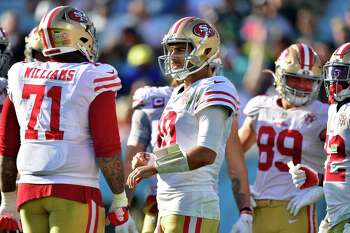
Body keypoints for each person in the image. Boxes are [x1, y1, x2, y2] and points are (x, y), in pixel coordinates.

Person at [0, 6, 135, 233]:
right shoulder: (93, 75)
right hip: (75, 190)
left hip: (29, 192)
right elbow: (107, 147)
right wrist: (120, 197)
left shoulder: (19, 73)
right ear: (77, 35)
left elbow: (7, 145)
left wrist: (7, 199)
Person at [126, 17, 240, 233]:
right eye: (171, 49)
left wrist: (155, 165)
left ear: (204, 51)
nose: (172, 56)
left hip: (192, 204)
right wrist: (152, 158)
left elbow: (206, 153)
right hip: (168, 203)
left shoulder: (215, 86)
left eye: (180, 49)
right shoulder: (179, 92)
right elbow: (184, 146)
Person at [238, 43, 328, 233]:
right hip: (258, 206)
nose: (303, 86)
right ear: (280, 75)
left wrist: (320, 185)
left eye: (309, 80)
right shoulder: (261, 107)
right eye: (295, 78)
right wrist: (243, 190)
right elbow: (233, 153)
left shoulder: (324, 115)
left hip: (297, 206)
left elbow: (342, 163)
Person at [289, 42, 350, 233]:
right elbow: (342, 168)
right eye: (333, 73)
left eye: (341, 73)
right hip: (336, 215)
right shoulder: (335, 110)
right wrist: (318, 179)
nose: (333, 80)